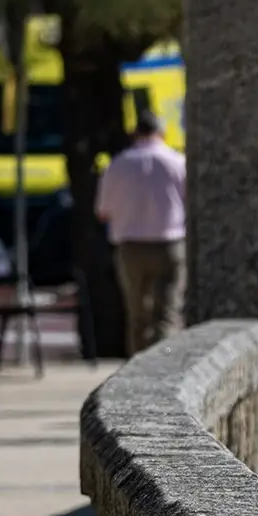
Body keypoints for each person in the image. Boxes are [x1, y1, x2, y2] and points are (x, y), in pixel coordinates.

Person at [94, 110, 187, 355]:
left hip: (130, 246)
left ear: (136, 133)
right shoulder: (177, 162)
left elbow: (103, 211)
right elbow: (190, 202)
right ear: (162, 133)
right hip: (169, 243)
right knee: (167, 312)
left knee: (137, 315)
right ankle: (164, 363)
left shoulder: (118, 165)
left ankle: (137, 363)